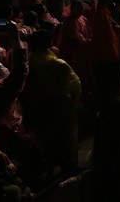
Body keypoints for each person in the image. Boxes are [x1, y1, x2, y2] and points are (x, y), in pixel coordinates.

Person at [20, 30, 81, 177]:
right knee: (66, 137)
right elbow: (76, 86)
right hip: (61, 108)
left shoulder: (26, 62)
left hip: (35, 110)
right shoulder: (58, 64)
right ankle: (69, 167)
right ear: (50, 43)